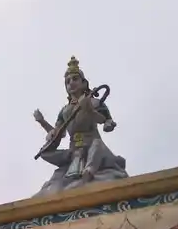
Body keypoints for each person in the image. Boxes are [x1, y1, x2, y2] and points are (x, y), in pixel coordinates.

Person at [33, 56, 128, 196]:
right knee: (45, 152)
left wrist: (89, 110)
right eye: (67, 82)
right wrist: (42, 122)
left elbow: (106, 122)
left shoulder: (94, 102)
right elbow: (59, 133)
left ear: (84, 83)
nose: (71, 83)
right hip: (73, 151)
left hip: (92, 146)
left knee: (97, 144)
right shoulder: (65, 111)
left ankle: (88, 174)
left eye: (75, 79)